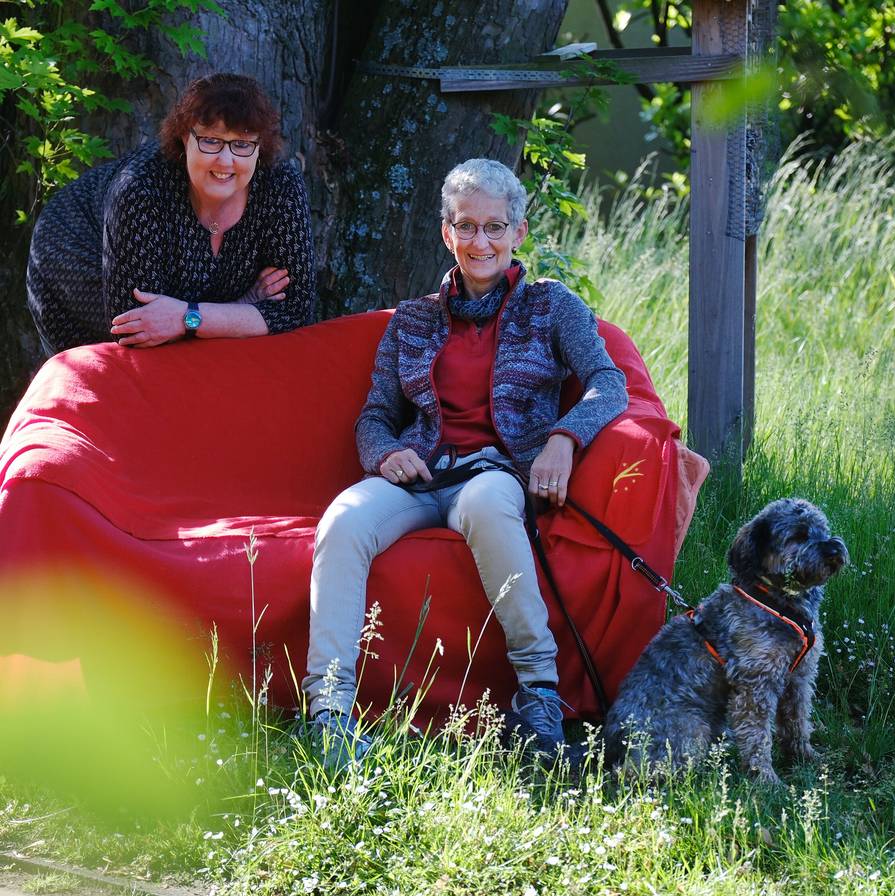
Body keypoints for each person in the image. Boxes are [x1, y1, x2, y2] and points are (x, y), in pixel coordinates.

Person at [303, 158, 629, 766]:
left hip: (496, 473)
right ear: (447, 233)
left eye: (495, 227)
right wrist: (387, 452)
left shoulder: (551, 307)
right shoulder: (414, 319)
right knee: (341, 521)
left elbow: (608, 384)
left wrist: (564, 439)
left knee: (485, 502)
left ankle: (539, 696)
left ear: (518, 232)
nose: (482, 241)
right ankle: (328, 714)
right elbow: (374, 416)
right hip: (423, 472)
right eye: (467, 227)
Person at [26, 73, 315, 354]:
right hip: (76, 247)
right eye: (211, 141)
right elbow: (139, 329)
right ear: (183, 139)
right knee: (134, 365)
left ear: (259, 148)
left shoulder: (280, 184)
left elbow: (296, 309)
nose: (226, 160)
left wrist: (186, 317)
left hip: (176, 301)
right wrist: (242, 308)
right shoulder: (140, 189)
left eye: (241, 144)